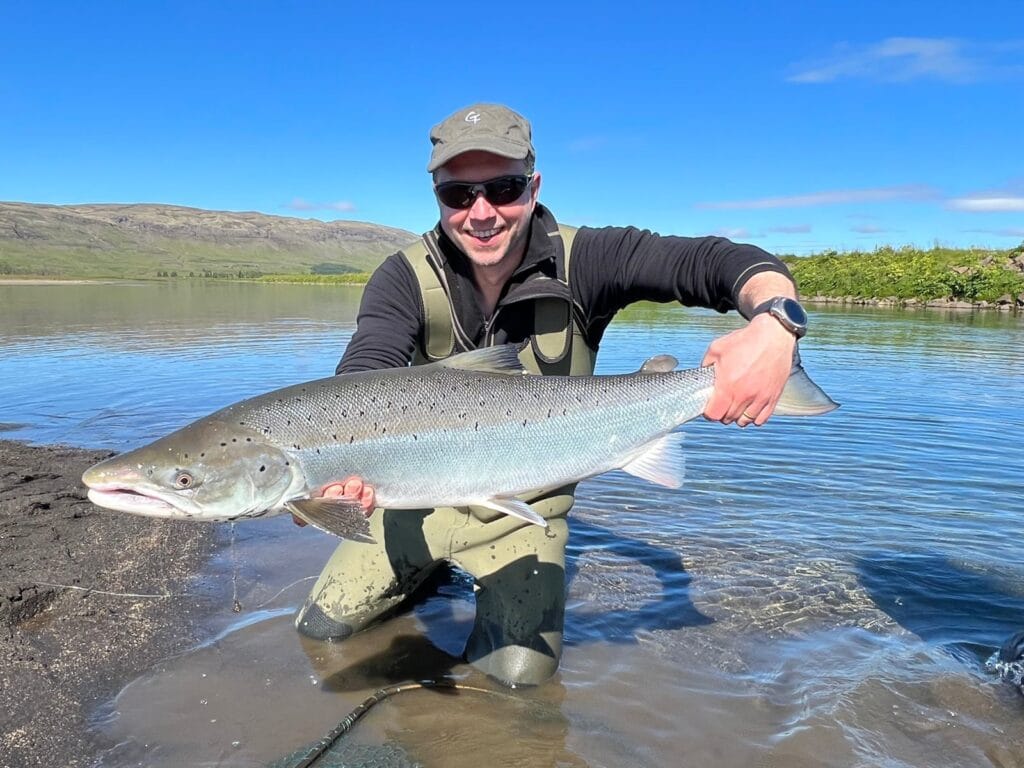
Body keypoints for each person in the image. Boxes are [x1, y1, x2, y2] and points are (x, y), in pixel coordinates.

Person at [293, 103, 808, 687]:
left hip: (525, 517)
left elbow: (718, 262)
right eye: (459, 195)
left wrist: (774, 322)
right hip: (410, 509)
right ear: (437, 195)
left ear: (533, 187)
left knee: (517, 682)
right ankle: (429, 574)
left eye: (504, 189)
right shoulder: (402, 277)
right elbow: (362, 374)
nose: (481, 213)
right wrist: (327, 471)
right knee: (319, 635)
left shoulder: (590, 258)